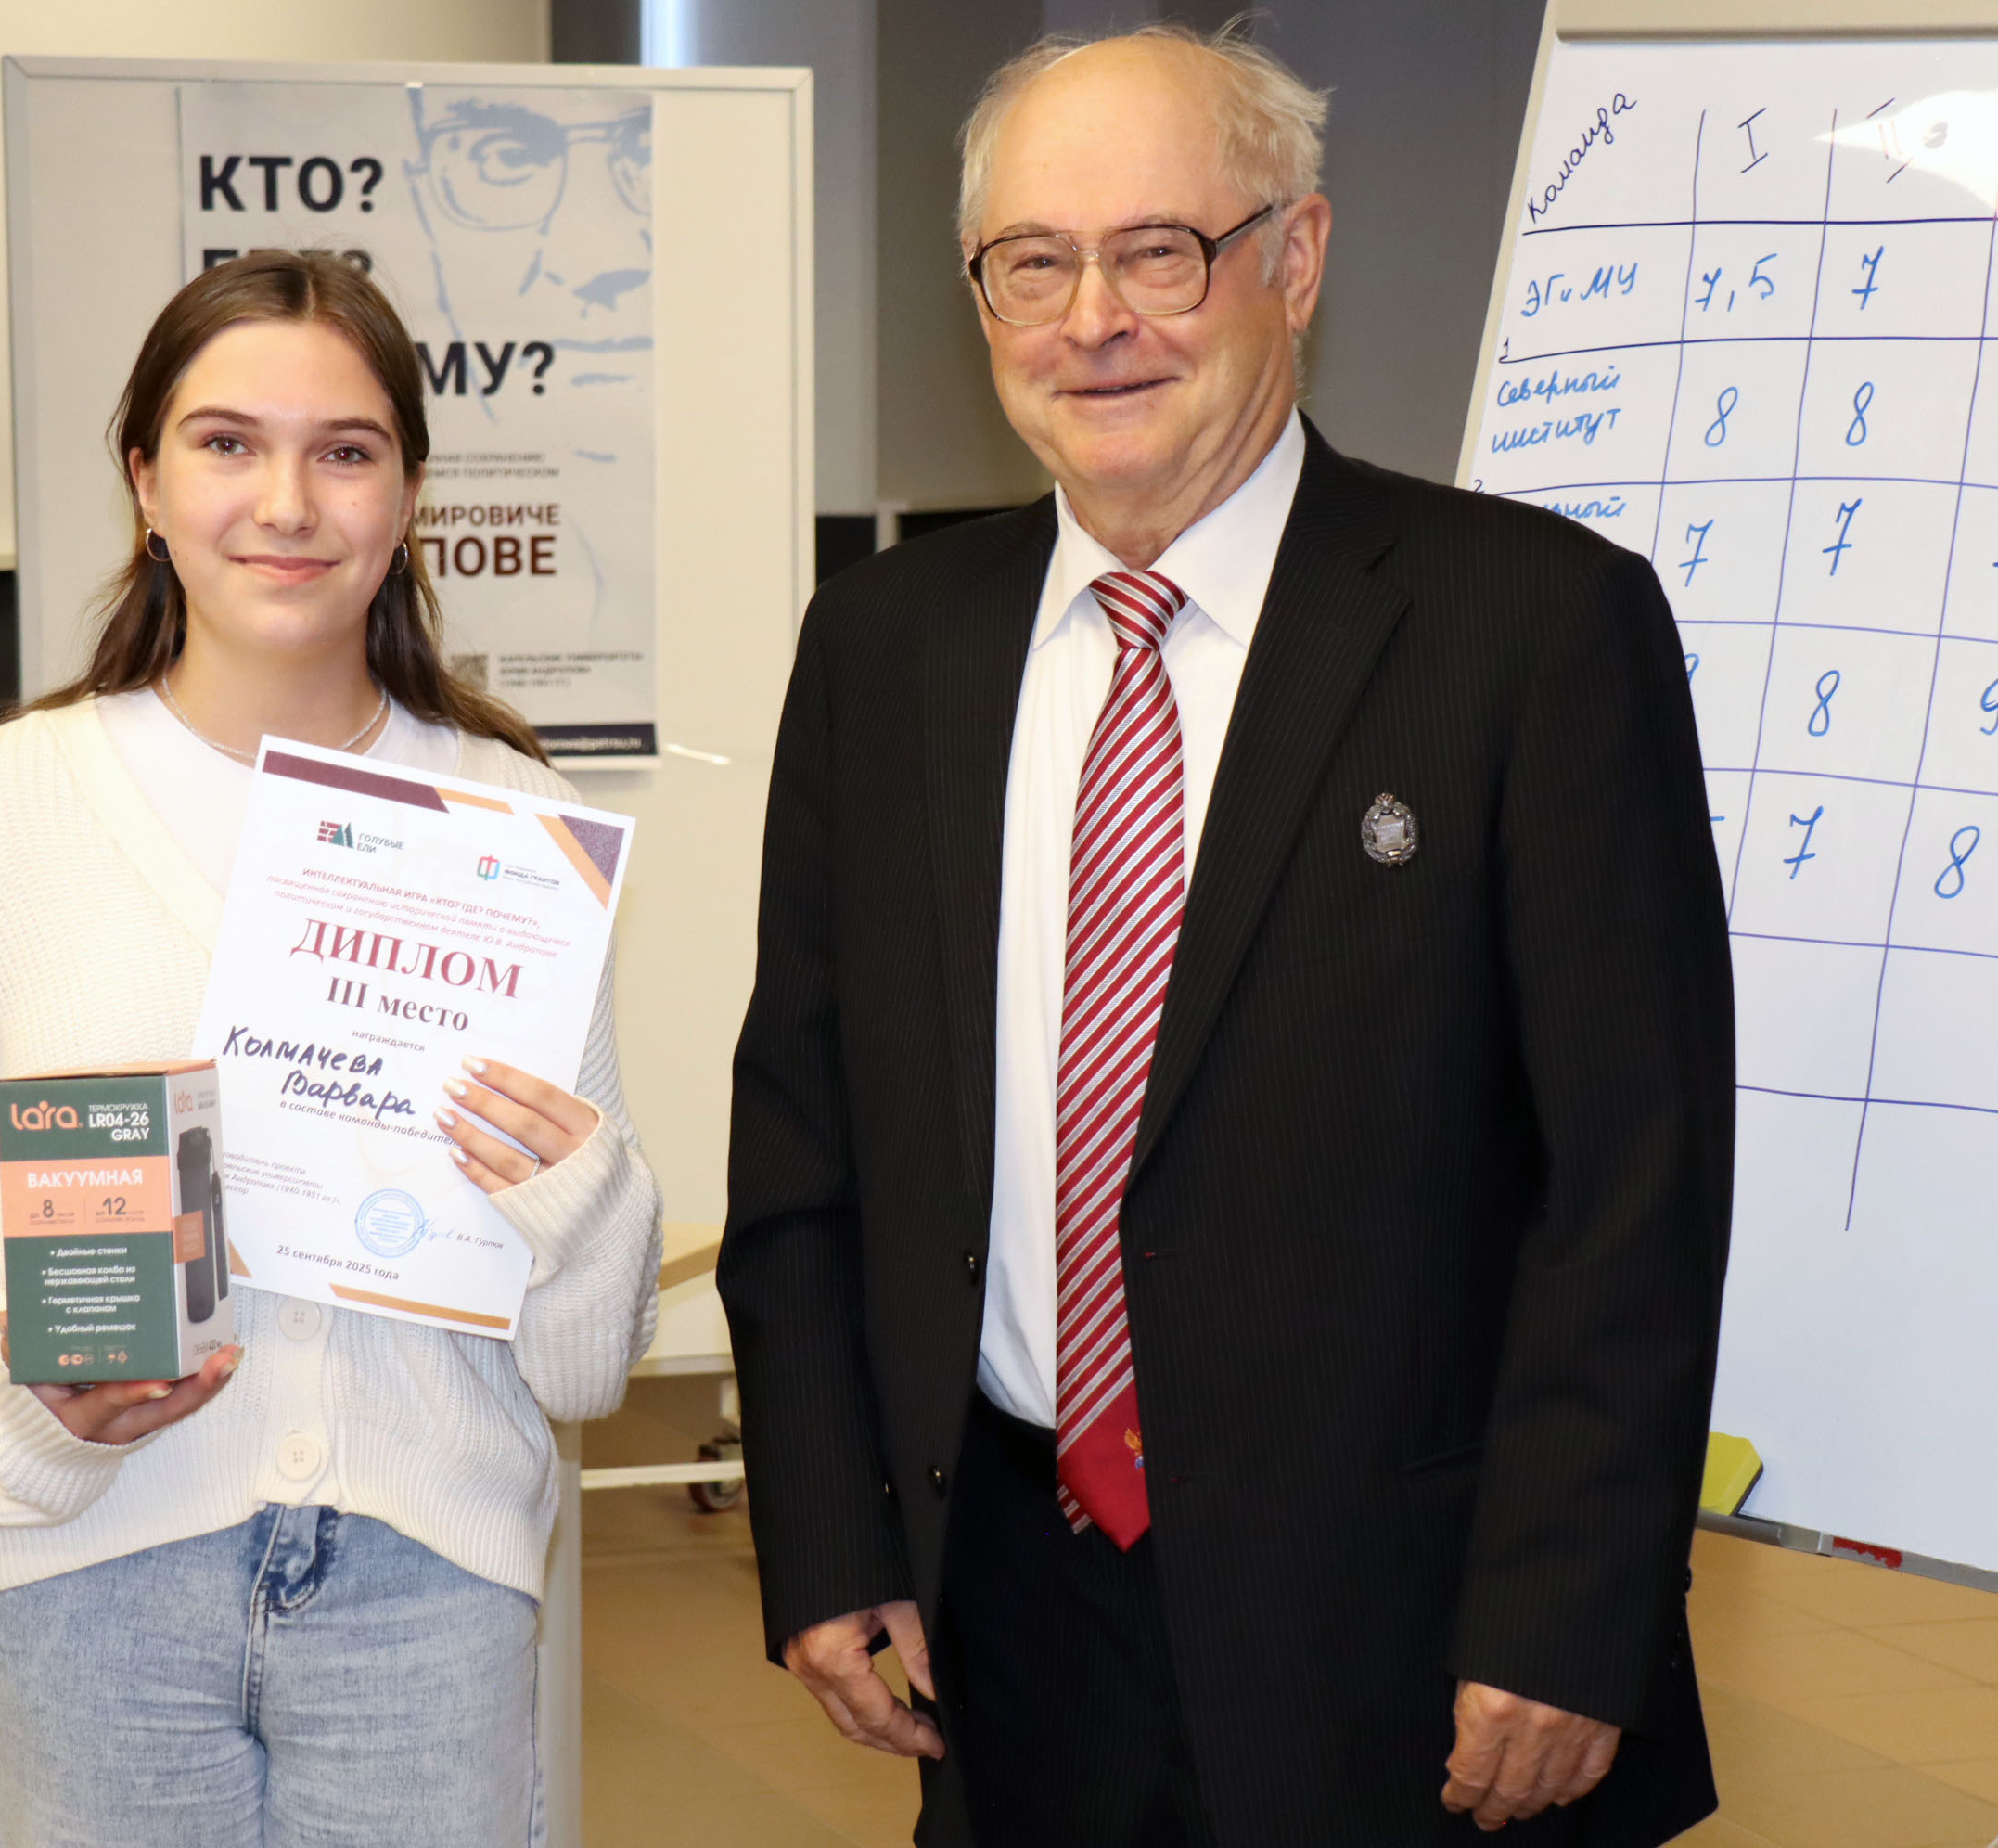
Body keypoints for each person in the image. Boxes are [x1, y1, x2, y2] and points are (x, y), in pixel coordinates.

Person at [719, 24, 1733, 1848]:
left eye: (1158, 252)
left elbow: (1628, 1182)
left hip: (1411, 1636)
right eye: (1033, 261)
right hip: (1001, 1617)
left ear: (1296, 257)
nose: (1091, 318)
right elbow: (802, 1144)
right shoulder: (882, 647)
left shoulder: (1531, 629)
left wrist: (1566, 1611)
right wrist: (824, 1533)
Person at [0, 252, 663, 1846]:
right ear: (144, 481)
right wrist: (25, 1412)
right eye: (225, 443)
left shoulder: (510, 824)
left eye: (346, 450)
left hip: (429, 1591)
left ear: (408, 494)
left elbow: (580, 1365)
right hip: (92, 1583)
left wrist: (589, 1206)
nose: (287, 502)